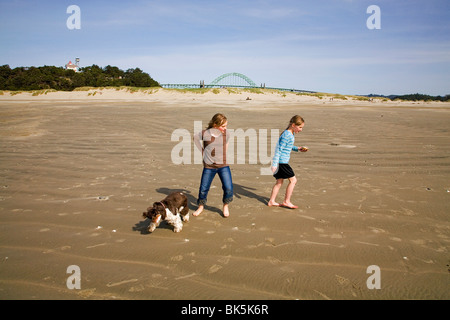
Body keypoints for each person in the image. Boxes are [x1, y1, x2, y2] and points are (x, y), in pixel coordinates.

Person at [193, 113, 233, 217]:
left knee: (228, 187)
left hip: (223, 165)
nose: (225, 128)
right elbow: (195, 138)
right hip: (209, 167)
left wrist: (223, 156)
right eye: (223, 126)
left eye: (226, 126)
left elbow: (226, 145)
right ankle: (201, 207)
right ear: (215, 125)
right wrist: (202, 151)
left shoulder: (226, 134)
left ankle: (225, 206)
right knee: (203, 188)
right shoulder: (205, 133)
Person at [268, 115, 308, 209]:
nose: (301, 129)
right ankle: (286, 201)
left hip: (280, 162)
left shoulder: (290, 133)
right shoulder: (287, 135)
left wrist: (298, 148)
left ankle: (271, 201)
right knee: (293, 180)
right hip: (282, 163)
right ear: (293, 125)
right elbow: (279, 149)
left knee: (279, 182)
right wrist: (274, 164)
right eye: (300, 127)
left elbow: (288, 146)